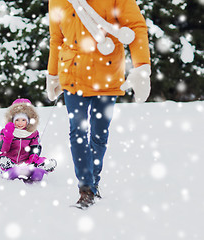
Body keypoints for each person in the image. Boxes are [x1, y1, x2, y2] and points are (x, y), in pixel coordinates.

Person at [46, 0, 151, 208]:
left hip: (107, 74)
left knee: (99, 134)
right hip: (72, 74)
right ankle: (85, 188)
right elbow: (56, 38)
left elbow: (136, 27)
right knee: (77, 131)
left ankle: (93, 181)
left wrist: (141, 66)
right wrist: (52, 74)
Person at [0, 98, 57, 183]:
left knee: (38, 159)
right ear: (12, 120)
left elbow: (35, 147)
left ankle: (41, 166)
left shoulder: (33, 133)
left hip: (27, 161)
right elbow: (3, 149)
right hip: (10, 159)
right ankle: (9, 167)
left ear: (28, 121)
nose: (20, 123)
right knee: (3, 159)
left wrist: (32, 160)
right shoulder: (6, 131)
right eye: (17, 120)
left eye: (23, 120)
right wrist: (8, 136)